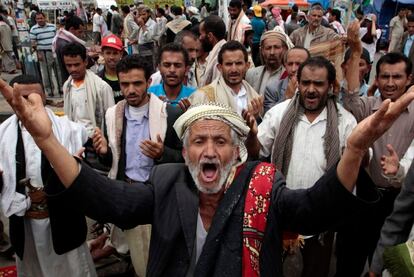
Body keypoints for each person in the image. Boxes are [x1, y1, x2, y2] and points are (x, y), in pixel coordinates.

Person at [2, 71, 414, 276]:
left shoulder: (263, 183)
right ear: (186, 152)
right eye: (199, 141)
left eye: (221, 141)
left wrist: (356, 148)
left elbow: (313, 210)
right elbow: (112, 201)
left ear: (237, 152)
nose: (209, 151)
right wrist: (47, 141)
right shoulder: (166, 182)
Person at [248, 56, 357, 277]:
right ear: (297, 82)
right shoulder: (280, 113)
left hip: (322, 216)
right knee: (270, 269)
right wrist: (251, 133)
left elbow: (355, 166)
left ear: (330, 86)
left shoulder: (345, 121)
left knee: (315, 271)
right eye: (305, 82)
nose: (310, 89)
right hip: (279, 210)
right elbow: (256, 151)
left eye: (318, 84)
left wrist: (360, 151)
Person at [92, 55, 184, 276]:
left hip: (157, 195)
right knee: (135, 249)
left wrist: (163, 154)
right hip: (126, 192)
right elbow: (111, 162)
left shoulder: (169, 114)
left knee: (157, 254)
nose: (130, 90)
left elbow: (184, 160)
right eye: (125, 84)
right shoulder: (113, 114)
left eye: (137, 83)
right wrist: (103, 152)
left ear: (148, 83)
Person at [336, 25, 414, 276]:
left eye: (397, 77)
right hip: (363, 198)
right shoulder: (366, 107)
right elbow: (349, 95)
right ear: (376, 79)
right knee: (349, 262)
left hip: (398, 204)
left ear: (409, 79)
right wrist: (356, 50)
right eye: (385, 77)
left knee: (385, 266)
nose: (390, 83)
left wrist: (399, 168)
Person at [0, 75, 95, 276]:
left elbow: (88, 163)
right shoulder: (2, 134)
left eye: (34, 97)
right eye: (22, 97)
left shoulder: (70, 129)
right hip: (26, 223)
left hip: (62, 221)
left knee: (72, 268)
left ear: (44, 97)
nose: (28, 104)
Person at [190, 40, 263, 117]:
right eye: (228, 64)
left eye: (238, 63)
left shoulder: (255, 98)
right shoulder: (203, 96)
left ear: (247, 66)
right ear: (220, 68)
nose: (234, 69)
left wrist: (255, 119)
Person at [62, 42, 115, 137]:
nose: (73, 69)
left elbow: (112, 121)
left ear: (85, 62)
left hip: (95, 140)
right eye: (69, 65)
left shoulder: (102, 87)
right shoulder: (67, 86)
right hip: (74, 138)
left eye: (76, 64)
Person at [263, 46, 310, 112]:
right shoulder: (272, 89)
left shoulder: (317, 86)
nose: (293, 69)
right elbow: (269, 118)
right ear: (285, 65)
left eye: (298, 64)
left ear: (309, 65)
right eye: (290, 64)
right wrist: (287, 98)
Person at [245, 30, 290, 96]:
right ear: (262, 50)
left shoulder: (289, 75)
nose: (272, 52)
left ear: (284, 49)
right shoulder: (251, 74)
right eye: (268, 48)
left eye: (276, 47)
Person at [30, 12, 58, 97]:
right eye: (38, 19)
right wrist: (38, 54)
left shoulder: (52, 27)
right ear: (35, 20)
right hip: (43, 52)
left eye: (41, 18)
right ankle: (50, 91)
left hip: (54, 51)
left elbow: (57, 39)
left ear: (45, 18)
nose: (40, 20)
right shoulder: (33, 29)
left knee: (58, 72)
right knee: (46, 73)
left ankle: (61, 90)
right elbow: (33, 44)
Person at [52, 15, 86, 86]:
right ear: (71, 29)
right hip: (72, 81)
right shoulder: (65, 44)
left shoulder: (63, 40)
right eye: (80, 32)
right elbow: (75, 62)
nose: (82, 35)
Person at [198, 15, 227, 86]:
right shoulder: (215, 53)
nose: (199, 38)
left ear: (210, 36)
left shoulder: (220, 57)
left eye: (201, 34)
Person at [97, 34, 124, 103]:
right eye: (108, 53)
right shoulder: (97, 80)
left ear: (121, 54)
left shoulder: (129, 77)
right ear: (102, 54)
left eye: (115, 53)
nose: (111, 57)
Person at [136, 6, 156, 72]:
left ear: (149, 14)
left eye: (144, 14)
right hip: (141, 49)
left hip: (148, 50)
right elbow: (142, 38)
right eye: (140, 15)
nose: (142, 17)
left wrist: (143, 25)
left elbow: (149, 37)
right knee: (143, 68)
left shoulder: (153, 24)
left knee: (149, 68)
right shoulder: (143, 23)